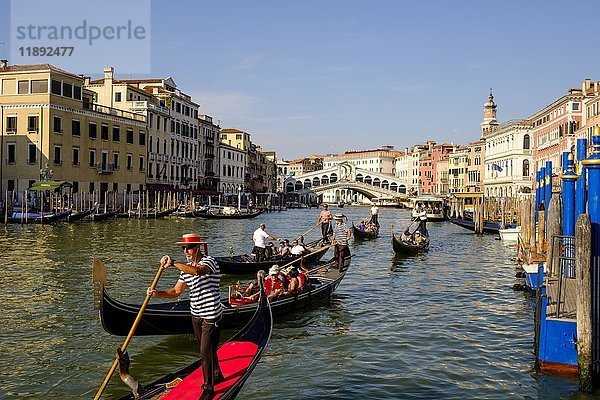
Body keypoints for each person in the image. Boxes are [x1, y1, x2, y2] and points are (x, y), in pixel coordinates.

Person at [147, 233, 224, 399]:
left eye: (188, 247)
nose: (186, 251)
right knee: (207, 349)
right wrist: (157, 293)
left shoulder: (209, 261)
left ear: (198, 247)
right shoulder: (185, 269)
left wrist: (173, 263)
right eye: (183, 248)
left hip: (211, 315)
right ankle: (217, 373)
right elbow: (176, 291)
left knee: (205, 351)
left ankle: (209, 388)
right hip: (196, 314)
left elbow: (198, 271)